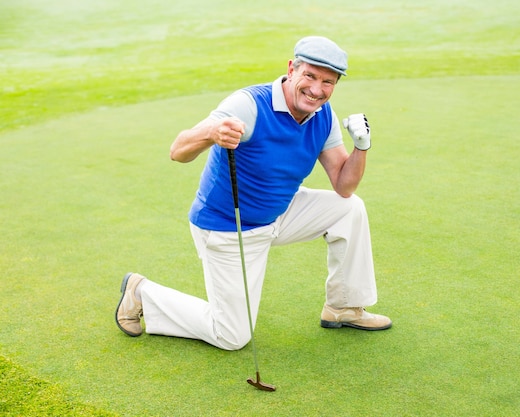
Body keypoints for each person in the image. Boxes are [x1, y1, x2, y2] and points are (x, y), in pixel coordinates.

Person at [115, 35, 391, 351]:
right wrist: (211, 133)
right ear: (292, 68)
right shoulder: (248, 104)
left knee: (349, 208)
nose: (317, 89)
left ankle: (343, 307)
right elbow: (178, 151)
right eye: (310, 76)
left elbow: (344, 186)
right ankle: (142, 293)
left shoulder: (322, 116)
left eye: (327, 82)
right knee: (232, 336)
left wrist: (361, 146)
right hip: (229, 227)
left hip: (280, 212)